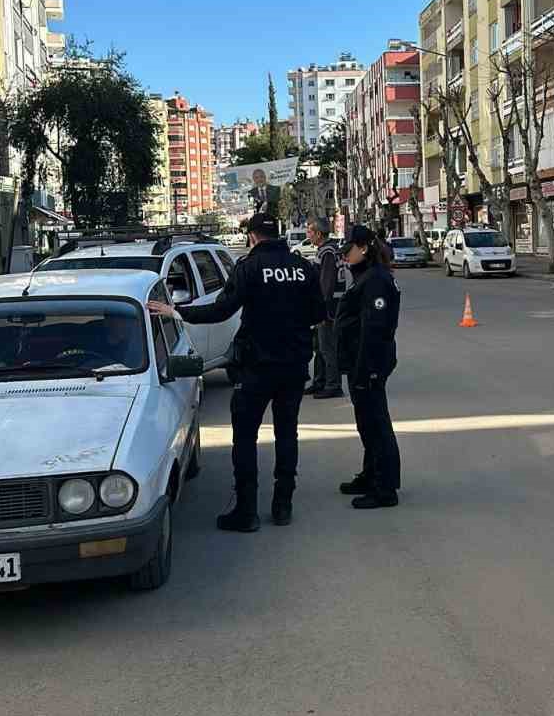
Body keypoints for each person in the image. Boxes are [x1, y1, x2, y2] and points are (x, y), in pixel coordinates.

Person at [149, 212, 324, 532]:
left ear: (253, 237)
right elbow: (318, 312)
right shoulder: (303, 268)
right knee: (287, 434)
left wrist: (176, 311)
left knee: (245, 438)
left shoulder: (249, 268)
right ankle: (283, 505)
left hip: (256, 368)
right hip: (294, 366)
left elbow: (221, 310)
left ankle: (246, 512)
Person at [334, 225, 401, 511]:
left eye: (347, 249)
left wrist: (368, 370)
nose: (343, 255)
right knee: (366, 422)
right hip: (359, 363)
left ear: (363, 248)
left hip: (369, 364)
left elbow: (375, 329)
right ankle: (370, 474)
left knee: (377, 424)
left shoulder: (376, 280)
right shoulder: (365, 276)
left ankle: (385, 488)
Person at [305, 215, 347, 399]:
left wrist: (320, 309)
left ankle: (333, 384)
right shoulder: (326, 249)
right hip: (328, 307)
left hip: (329, 309)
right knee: (319, 347)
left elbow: (326, 285)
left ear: (319, 234)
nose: (308, 235)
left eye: (310, 231)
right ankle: (320, 381)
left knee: (327, 347)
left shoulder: (328, 252)